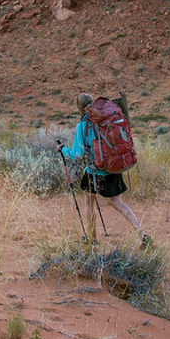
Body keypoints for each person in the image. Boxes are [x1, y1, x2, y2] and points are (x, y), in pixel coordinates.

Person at [59, 93, 151, 247]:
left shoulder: (83, 125)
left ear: (79, 107)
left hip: (94, 171)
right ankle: (143, 235)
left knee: (89, 202)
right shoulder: (105, 117)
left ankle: (93, 239)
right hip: (113, 166)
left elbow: (77, 154)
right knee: (118, 203)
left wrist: (63, 150)